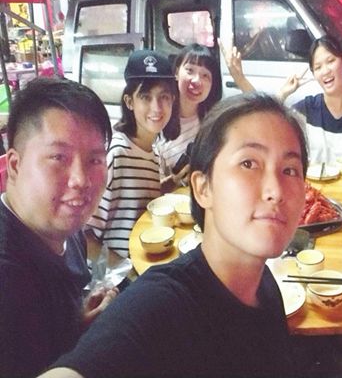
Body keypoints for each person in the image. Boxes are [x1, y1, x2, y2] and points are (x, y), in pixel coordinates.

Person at [41, 93, 308, 377]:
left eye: (289, 170)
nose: (275, 191)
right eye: (249, 164)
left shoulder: (265, 287)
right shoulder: (160, 306)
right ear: (203, 188)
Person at [0, 77, 118, 377]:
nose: (80, 180)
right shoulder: (7, 282)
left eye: (94, 159)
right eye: (58, 157)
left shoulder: (65, 228)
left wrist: (77, 324)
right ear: (14, 165)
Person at [86, 49, 178, 258]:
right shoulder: (116, 154)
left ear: (173, 100)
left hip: (146, 259)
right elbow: (83, 235)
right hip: (121, 271)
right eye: (146, 97)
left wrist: (163, 188)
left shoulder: (154, 153)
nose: (156, 107)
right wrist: (123, 268)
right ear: (129, 102)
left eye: (164, 97)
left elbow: (133, 210)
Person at [156, 42, 254, 191]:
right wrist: (174, 182)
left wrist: (239, 77)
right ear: (176, 72)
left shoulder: (215, 118)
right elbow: (153, 188)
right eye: (190, 70)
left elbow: (260, 113)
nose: (196, 80)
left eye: (205, 75)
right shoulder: (158, 119)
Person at [279, 35, 342, 168]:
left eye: (330, 61)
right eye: (318, 67)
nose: (325, 71)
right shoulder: (307, 109)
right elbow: (273, 130)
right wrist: (282, 94)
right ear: (314, 74)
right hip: (314, 182)